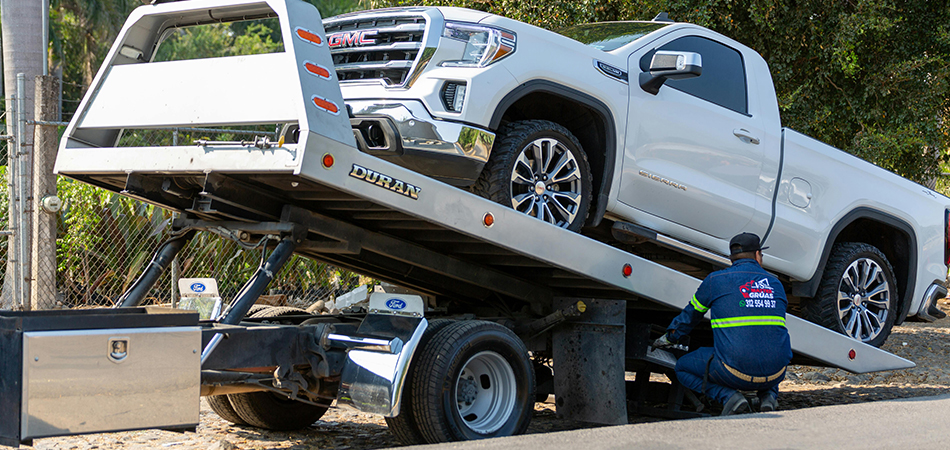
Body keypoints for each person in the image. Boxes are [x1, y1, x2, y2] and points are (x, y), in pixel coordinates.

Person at [653, 232, 792, 415]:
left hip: (733, 373)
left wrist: (669, 337)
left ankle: (729, 397)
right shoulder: (775, 284)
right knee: (767, 349)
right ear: (758, 255)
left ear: (731, 258)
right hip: (777, 373)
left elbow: (690, 317)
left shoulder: (715, 281)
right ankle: (769, 397)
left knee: (682, 368)